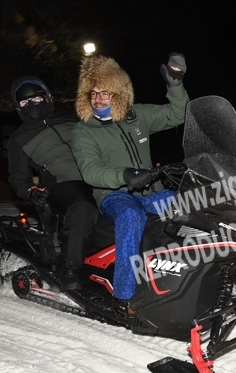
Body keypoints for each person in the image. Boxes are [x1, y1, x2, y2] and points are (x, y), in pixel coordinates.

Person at [71, 53, 189, 301]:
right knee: (131, 216)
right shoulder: (84, 131)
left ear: (118, 93)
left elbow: (178, 114)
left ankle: (186, 275)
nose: (98, 99)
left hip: (152, 192)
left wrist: (175, 85)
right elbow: (90, 170)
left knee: (189, 203)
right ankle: (124, 296)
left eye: (105, 93)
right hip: (115, 196)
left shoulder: (138, 115)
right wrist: (124, 175)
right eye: (93, 93)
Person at [8, 76, 99, 290]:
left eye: (36, 99)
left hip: (98, 175)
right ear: (18, 107)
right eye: (25, 102)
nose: (32, 105)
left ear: (47, 98)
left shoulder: (73, 118)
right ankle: (70, 268)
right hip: (62, 184)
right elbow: (18, 177)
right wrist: (30, 191)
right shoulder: (19, 139)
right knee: (83, 204)